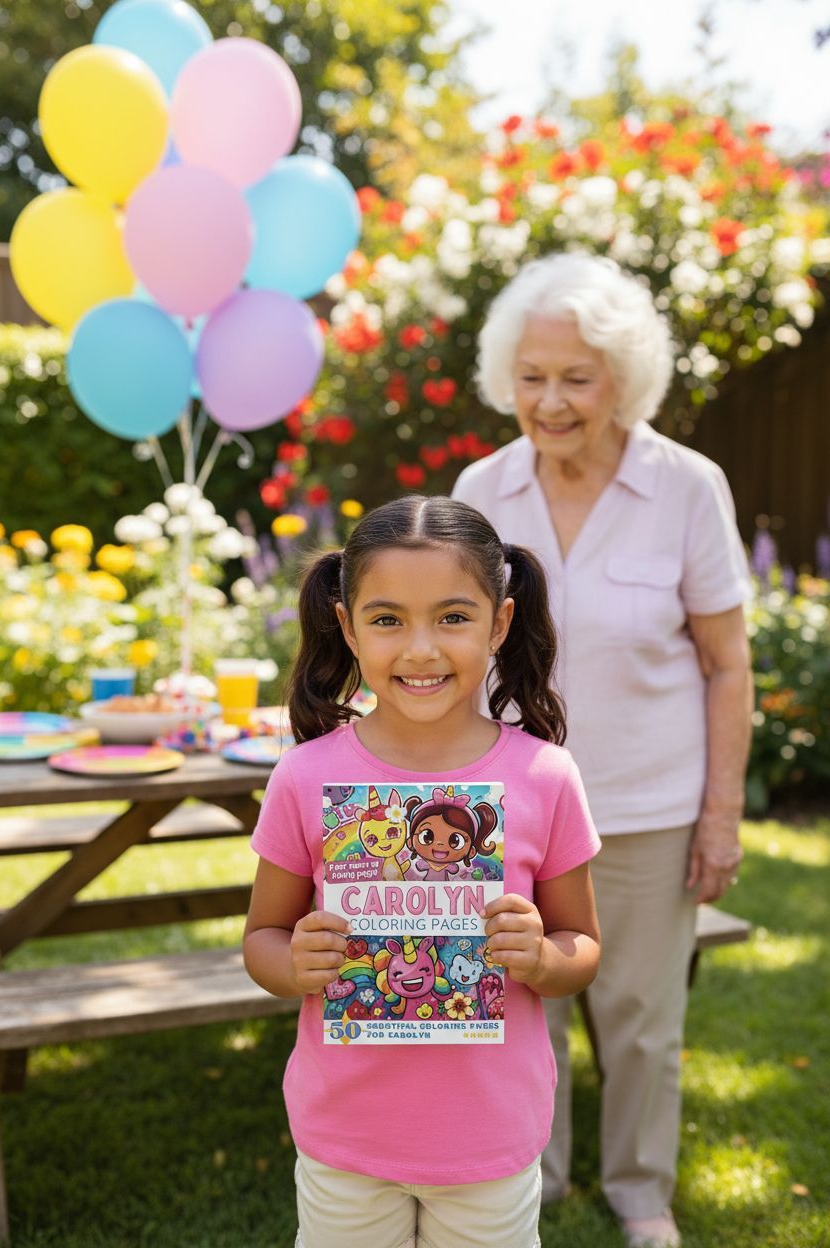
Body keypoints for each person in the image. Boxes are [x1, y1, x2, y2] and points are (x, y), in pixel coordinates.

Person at [452, 252, 753, 1248]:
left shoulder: (686, 486)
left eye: (576, 378)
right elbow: (452, 643)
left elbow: (727, 662)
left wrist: (719, 814)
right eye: (531, 377)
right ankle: (525, 1180)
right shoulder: (483, 487)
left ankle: (639, 1192)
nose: (550, 401)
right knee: (513, 1000)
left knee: (640, 1019)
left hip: (645, 805)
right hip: (509, 806)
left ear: (622, 379)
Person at [243, 495, 602, 1248]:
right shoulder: (304, 777)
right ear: (347, 627)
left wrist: (542, 958)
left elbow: (583, 949)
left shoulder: (545, 776)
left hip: (490, 1135)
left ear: (499, 623)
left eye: (452, 617)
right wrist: (294, 962)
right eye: (386, 620)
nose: (420, 649)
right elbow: (262, 940)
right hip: (344, 1132)